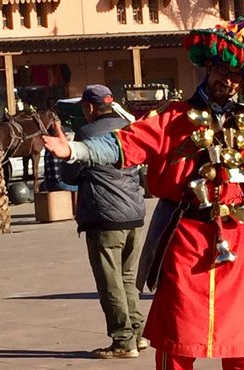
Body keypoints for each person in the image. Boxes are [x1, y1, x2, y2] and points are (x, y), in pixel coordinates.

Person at [43, 11, 244, 370]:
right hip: (185, 240)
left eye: (235, 76)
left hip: (238, 241)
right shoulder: (175, 118)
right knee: (178, 340)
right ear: (209, 68)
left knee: (240, 343)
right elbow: (124, 145)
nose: (227, 81)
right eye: (221, 71)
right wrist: (75, 149)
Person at [61, 84, 147, 359]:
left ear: (89, 107)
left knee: (110, 282)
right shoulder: (129, 128)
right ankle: (138, 333)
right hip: (134, 215)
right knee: (127, 278)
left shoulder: (87, 133)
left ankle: (123, 341)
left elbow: (69, 175)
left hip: (105, 217)